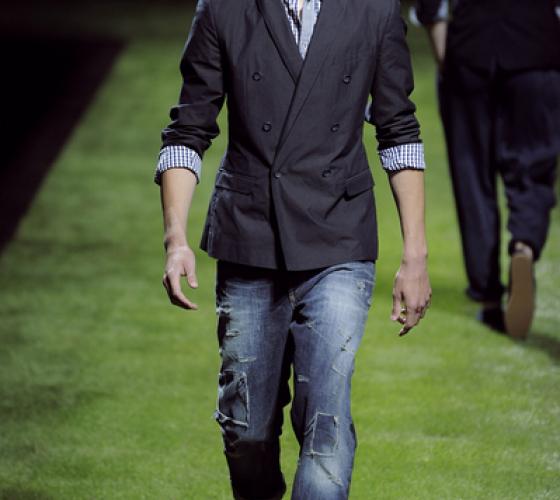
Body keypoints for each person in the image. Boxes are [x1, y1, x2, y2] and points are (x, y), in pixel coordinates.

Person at [155, 0, 431, 498]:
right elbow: (188, 131)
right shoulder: (223, 9)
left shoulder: (374, 10)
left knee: (326, 420)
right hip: (248, 239)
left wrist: (416, 256)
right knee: (246, 429)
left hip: (339, 237)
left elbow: (398, 130)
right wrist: (176, 239)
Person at [413, 0, 560, 339]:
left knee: (472, 176)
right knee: (534, 167)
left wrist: (443, 49)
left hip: (472, 46)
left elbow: (430, 4)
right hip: (537, 46)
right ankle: (524, 244)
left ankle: (488, 295)